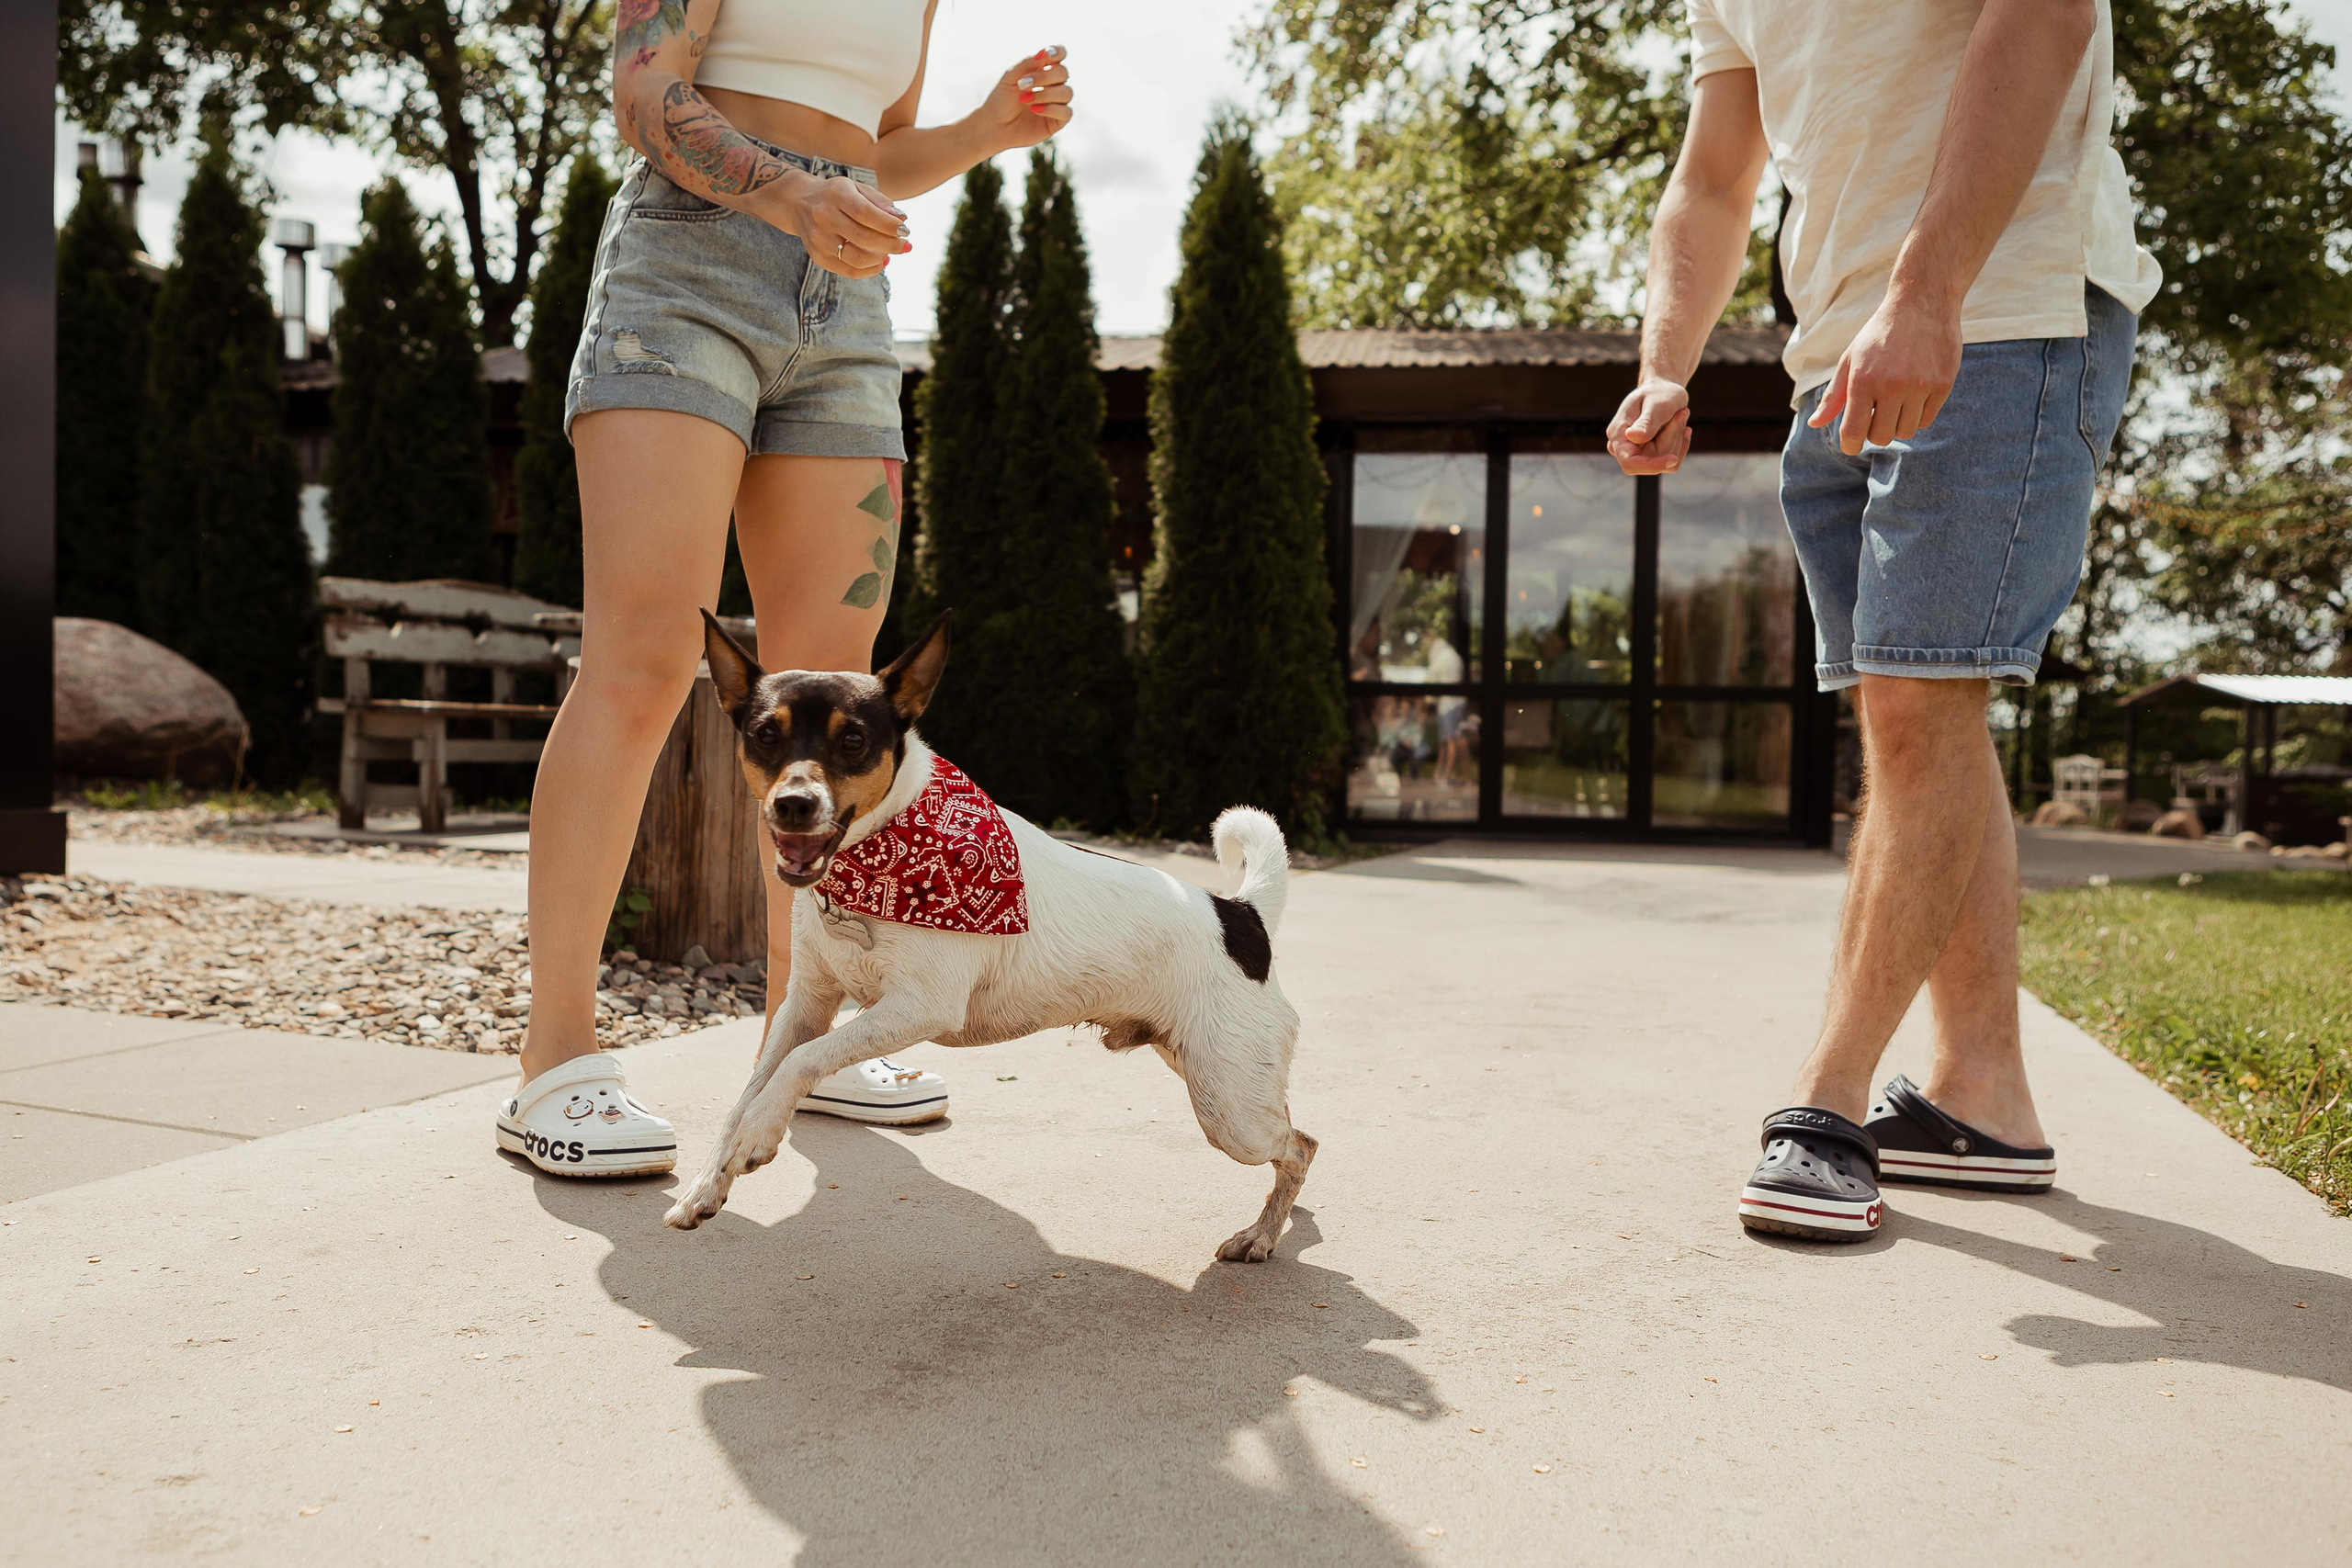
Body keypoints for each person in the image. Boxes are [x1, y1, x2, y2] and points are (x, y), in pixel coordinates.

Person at [1608, 0, 2157, 1241]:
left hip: (1997, 306)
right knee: (1922, 706)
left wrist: (1929, 288)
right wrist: (1665, 362)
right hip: (1836, 344)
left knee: (1916, 701)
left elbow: (2050, 14)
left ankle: (1827, 1100)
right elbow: (1713, 177)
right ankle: (1987, 1097)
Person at [497, 0, 1076, 1177]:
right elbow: (647, 95)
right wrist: (788, 196)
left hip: (845, 311)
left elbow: (873, 146)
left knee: (832, 694)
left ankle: (800, 1037)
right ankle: (551, 1061)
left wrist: (981, 130)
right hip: (687, 267)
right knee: (648, 658)